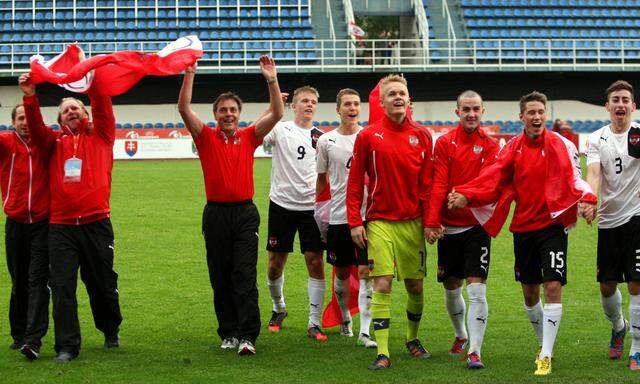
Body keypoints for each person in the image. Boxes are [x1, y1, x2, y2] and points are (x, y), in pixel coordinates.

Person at [448, 91, 596, 376]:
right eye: (531, 112)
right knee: (530, 294)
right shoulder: (512, 148)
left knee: (553, 286)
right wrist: (467, 195)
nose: (537, 116)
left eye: (541, 111)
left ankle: (547, 355)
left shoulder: (562, 145)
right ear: (522, 117)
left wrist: (588, 200)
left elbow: (575, 179)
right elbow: (492, 178)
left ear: (546, 115)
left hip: (552, 226)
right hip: (523, 229)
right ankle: (543, 344)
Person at [177, 56, 283, 356]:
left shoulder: (249, 136)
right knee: (220, 276)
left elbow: (277, 112)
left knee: (244, 275)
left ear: (239, 114)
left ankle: (248, 335)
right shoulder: (205, 136)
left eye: (233, 110)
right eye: (223, 110)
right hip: (215, 215)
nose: (228, 114)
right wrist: (189, 73)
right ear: (214, 114)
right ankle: (229, 332)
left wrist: (271, 79)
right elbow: (184, 108)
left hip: (245, 215)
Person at [19, 72, 123, 363]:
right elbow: (36, 127)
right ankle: (67, 346)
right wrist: (29, 96)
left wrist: (91, 81)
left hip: (96, 222)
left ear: (86, 112)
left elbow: (102, 104)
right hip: (61, 226)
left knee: (101, 284)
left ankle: (109, 327)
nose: (71, 111)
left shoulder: (102, 134)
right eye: (65, 110)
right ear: (60, 120)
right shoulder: (52, 143)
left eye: (76, 107)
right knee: (63, 286)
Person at [347, 74, 433, 370]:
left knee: (415, 288)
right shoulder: (368, 136)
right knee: (381, 282)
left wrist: (431, 221)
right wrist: (354, 222)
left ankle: (412, 338)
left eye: (402, 93)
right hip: (379, 221)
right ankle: (382, 352)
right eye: (392, 94)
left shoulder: (423, 136)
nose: (398, 97)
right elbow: (355, 182)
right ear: (381, 102)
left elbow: (428, 185)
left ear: (409, 101)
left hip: (413, 222)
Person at [425, 91, 498, 369]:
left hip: (476, 226)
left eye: (476, 109)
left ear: (482, 111)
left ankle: (475, 351)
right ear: (457, 112)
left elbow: (491, 184)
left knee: (476, 288)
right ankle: (461, 335)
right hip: (448, 227)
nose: (471, 114)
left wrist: (467, 195)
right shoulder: (444, 143)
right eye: (466, 109)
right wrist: (432, 221)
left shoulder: (491, 146)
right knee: (451, 285)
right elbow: (438, 183)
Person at [264, 86, 328, 341]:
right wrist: (272, 109)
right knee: (274, 264)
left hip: (311, 208)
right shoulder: (280, 129)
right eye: (304, 101)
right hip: (281, 205)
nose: (309, 105)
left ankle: (314, 322)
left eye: (313, 101)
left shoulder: (322, 138)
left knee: (315, 262)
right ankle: (278, 308)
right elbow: (256, 134)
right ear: (294, 106)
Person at [584, 80, 640, 370]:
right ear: (607, 106)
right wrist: (590, 200)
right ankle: (619, 326)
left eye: (625, 100)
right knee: (607, 287)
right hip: (609, 220)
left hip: (637, 217)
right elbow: (593, 174)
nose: (620, 104)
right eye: (615, 99)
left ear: (634, 106)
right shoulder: (596, 139)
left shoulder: (639, 135)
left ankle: (637, 348)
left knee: (636, 281)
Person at [315, 88, 376, 348]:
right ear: (338, 109)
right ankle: (345, 320)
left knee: (366, 273)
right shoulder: (326, 141)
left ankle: (365, 331)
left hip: (368, 217)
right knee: (340, 274)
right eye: (347, 105)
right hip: (339, 217)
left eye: (356, 104)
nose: (352, 108)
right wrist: (317, 211)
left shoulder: (370, 137)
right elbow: (321, 179)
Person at [1, 104, 52, 359]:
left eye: (28, 118)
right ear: (13, 123)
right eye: (20, 118)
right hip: (16, 224)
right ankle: (18, 333)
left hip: (43, 224)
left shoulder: (46, 143)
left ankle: (33, 339)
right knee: (19, 281)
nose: (24, 122)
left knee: (38, 281)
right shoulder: (6, 143)